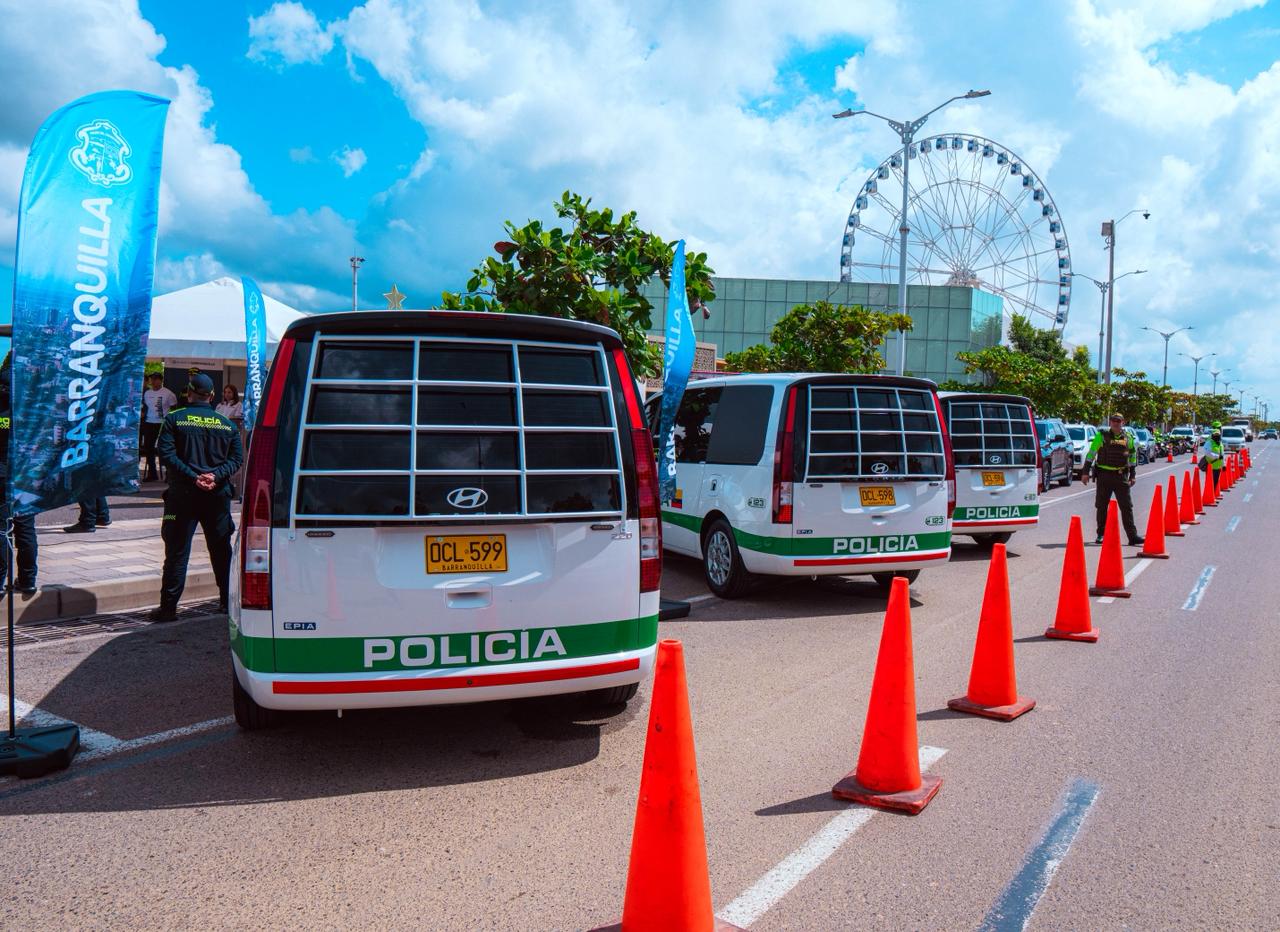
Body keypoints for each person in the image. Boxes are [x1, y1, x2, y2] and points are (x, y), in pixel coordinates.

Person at [150, 373, 244, 622]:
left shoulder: (174, 419)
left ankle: (168, 608)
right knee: (221, 550)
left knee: (177, 552)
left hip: (182, 497)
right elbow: (237, 460)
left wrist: (194, 476)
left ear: (188, 393)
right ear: (212, 396)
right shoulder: (227, 425)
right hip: (217, 496)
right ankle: (227, 603)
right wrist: (214, 476)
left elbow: (166, 454)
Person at [0, 355, 37, 595]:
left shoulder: (3, 391)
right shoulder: (35, 390)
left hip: (3, 469)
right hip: (28, 470)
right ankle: (28, 580)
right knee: (25, 526)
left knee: (1, 527)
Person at [1082, 412, 1144, 547]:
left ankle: (1132, 536)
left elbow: (1132, 456)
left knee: (1127, 507)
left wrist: (1133, 474)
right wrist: (1085, 472)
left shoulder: (1128, 438)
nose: (1115, 423)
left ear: (1123, 422)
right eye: (1113, 420)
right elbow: (1091, 453)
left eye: (1118, 421)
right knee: (1102, 506)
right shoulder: (1102, 436)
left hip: (1121, 476)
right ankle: (1101, 534)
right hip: (1104, 476)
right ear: (1110, 422)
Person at [141, 372, 177, 482]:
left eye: (156, 379)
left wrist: (170, 422)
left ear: (161, 380)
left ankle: (168, 473)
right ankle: (152, 474)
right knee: (148, 448)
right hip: (149, 422)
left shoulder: (168, 393)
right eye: (152, 379)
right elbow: (145, 407)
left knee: (165, 448)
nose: (153, 381)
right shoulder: (147, 393)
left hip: (162, 423)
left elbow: (174, 409)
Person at [1205, 421, 1225, 492]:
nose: (1220, 429)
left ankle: (1212, 496)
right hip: (1211, 465)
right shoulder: (1210, 440)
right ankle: (1209, 496)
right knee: (1210, 483)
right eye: (1219, 428)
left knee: (1215, 482)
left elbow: (1222, 453)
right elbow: (1207, 453)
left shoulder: (1219, 440)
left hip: (1218, 466)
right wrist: (1217, 457)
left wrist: (1223, 465)